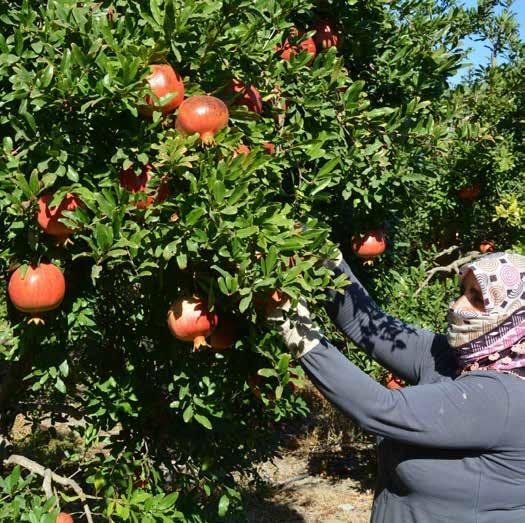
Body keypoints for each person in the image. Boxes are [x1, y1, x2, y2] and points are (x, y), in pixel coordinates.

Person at [269, 250, 525, 523]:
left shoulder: (505, 398)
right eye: (463, 291)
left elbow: (379, 407)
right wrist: (326, 259)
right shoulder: (453, 359)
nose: (456, 305)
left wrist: (296, 330)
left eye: (477, 299)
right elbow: (367, 323)